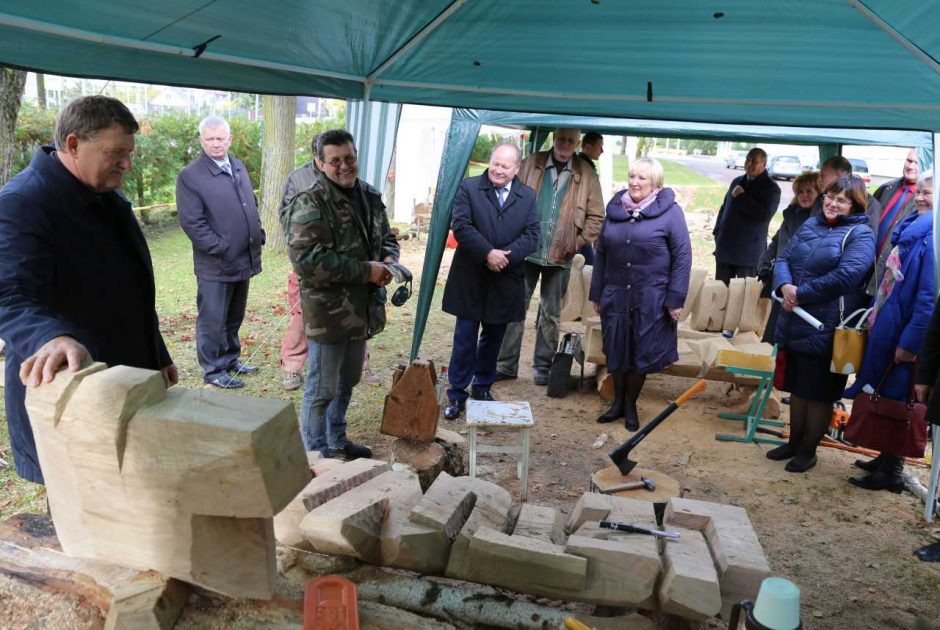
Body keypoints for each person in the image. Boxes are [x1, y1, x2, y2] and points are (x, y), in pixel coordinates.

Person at [0, 95, 176, 485]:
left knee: (132, 495)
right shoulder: (22, 203)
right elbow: (8, 293)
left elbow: (128, 286)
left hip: (124, 377)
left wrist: (154, 351)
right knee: (83, 516)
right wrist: (49, 337)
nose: (127, 165)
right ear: (75, 144)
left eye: (129, 153)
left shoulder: (103, 193)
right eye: (116, 152)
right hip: (70, 391)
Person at [283, 129, 399, 459]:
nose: (344, 166)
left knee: (348, 379)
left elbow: (387, 238)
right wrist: (366, 270)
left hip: (361, 309)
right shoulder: (310, 201)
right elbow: (306, 260)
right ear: (320, 164)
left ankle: (336, 441)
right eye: (335, 161)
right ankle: (314, 457)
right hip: (328, 313)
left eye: (349, 158)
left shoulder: (371, 196)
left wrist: (390, 259)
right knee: (322, 388)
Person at [767, 175, 875, 472]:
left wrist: (800, 294)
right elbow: (783, 259)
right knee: (798, 388)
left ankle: (808, 450)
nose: (832, 204)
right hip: (797, 319)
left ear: (854, 205)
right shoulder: (812, 224)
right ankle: (793, 442)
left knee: (820, 392)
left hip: (827, 326)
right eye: (830, 196)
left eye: (842, 200)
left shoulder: (860, 234)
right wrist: (785, 286)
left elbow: (848, 275)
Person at [589, 158, 692, 430]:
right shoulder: (615, 209)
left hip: (652, 299)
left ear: (655, 183)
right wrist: (597, 293)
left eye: (642, 178)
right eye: (632, 176)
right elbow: (601, 254)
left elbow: (682, 258)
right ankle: (617, 403)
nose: (635, 182)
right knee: (617, 350)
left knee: (641, 353)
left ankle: (631, 404)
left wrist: (674, 300)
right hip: (616, 296)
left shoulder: (671, 213)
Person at [845, 175, 934, 492]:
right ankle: (884, 457)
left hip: (905, 333)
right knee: (885, 393)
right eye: (920, 192)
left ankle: (893, 471)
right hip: (891, 323)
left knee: (899, 400)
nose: (921, 198)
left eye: (929, 193)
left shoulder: (931, 240)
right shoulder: (914, 228)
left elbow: (928, 299)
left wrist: (910, 343)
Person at [496, 128, 604, 385]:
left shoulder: (587, 174)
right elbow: (509, 197)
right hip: (525, 250)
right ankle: (505, 365)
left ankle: (543, 367)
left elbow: (597, 216)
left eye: (570, 141)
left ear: (577, 144)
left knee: (551, 313)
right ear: (554, 139)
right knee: (514, 308)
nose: (565, 144)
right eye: (561, 139)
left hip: (561, 254)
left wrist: (576, 242)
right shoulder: (532, 162)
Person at [441, 143, 540, 420]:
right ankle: (457, 394)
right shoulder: (469, 188)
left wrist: (506, 256)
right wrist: (487, 253)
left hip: (505, 278)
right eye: (495, 163)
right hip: (471, 277)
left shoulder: (528, 196)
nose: (497, 169)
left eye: (505, 166)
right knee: (464, 338)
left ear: (517, 168)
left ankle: (482, 387)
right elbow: (461, 226)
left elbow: (532, 235)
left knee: (493, 338)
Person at [176, 116, 264, 389]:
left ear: (230, 139)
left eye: (220, 138)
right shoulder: (190, 176)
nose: (216, 144)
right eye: (210, 139)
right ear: (202, 141)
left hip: (243, 258)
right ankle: (213, 371)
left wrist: (257, 232)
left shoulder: (237, 166)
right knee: (213, 319)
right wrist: (220, 248)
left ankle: (230, 359)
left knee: (234, 316)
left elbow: (250, 203)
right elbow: (192, 222)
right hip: (217, 264)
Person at [278, 134, 322, 391]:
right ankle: (292, 368)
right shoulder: (298, 179)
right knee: (302, 314)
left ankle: (360, 364)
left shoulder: (346, 176)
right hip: (307, 258)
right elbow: (285, 215)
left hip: (342, 260)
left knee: (350, 313)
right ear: (317, 156)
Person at [758, 172, 821, 343]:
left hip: (798, 283)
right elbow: (777, 240)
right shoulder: (791, 214)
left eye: (809, 191)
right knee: (774, 328)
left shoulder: (817, 220)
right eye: (800, 191)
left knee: (787, 331)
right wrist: (764, 263)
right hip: (781, 278)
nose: (804, 195)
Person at [712, 148, 781, 284]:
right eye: (747, 160)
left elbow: (763, 215)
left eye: (754, 161)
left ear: (764, 164)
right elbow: (724, 208)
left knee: (743, 296)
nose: (749, 164)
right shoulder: (737, 181)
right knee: (720, 293)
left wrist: (743, 197)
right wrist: (717, 232)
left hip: (748, 253)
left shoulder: (771, 189)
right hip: (725, 248)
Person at [869, 149, 920, 293]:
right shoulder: (886, 188)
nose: (911, 166)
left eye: (917, 163)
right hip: (866, 264)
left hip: (890, 276)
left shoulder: (927, 202)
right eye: (909, 161)